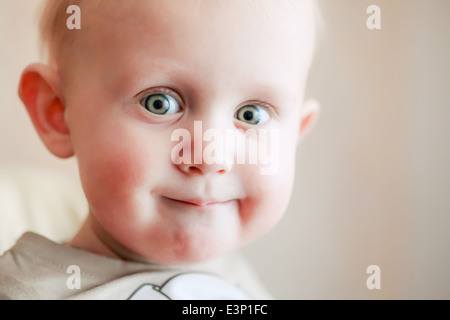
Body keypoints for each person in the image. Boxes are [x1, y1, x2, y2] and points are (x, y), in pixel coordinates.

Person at [0, 0, 319, 299]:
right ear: (57, 114)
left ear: (294, 136)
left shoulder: (240, 282)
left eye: (252, 114)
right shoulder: (29, 289)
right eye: (160, 103)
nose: (210, 158)